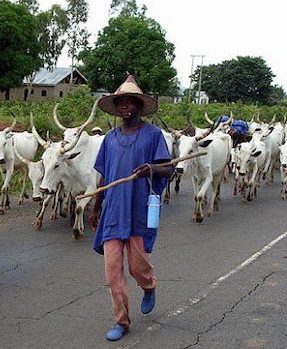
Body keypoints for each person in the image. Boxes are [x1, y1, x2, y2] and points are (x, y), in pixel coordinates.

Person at [90, 75, 172, 341]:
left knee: (137, 267)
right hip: (113, 211)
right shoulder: (110, 139)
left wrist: (151, 168)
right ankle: (121, 321)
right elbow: (104, 175)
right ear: (116, 107)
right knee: (113, 272)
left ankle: (148, 286)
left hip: (137, 209)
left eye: (130, 102)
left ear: (139, 106)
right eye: (121, 103)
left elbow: (168, 167)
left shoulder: (153, 135)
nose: (125, 106)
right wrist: (96, 206)